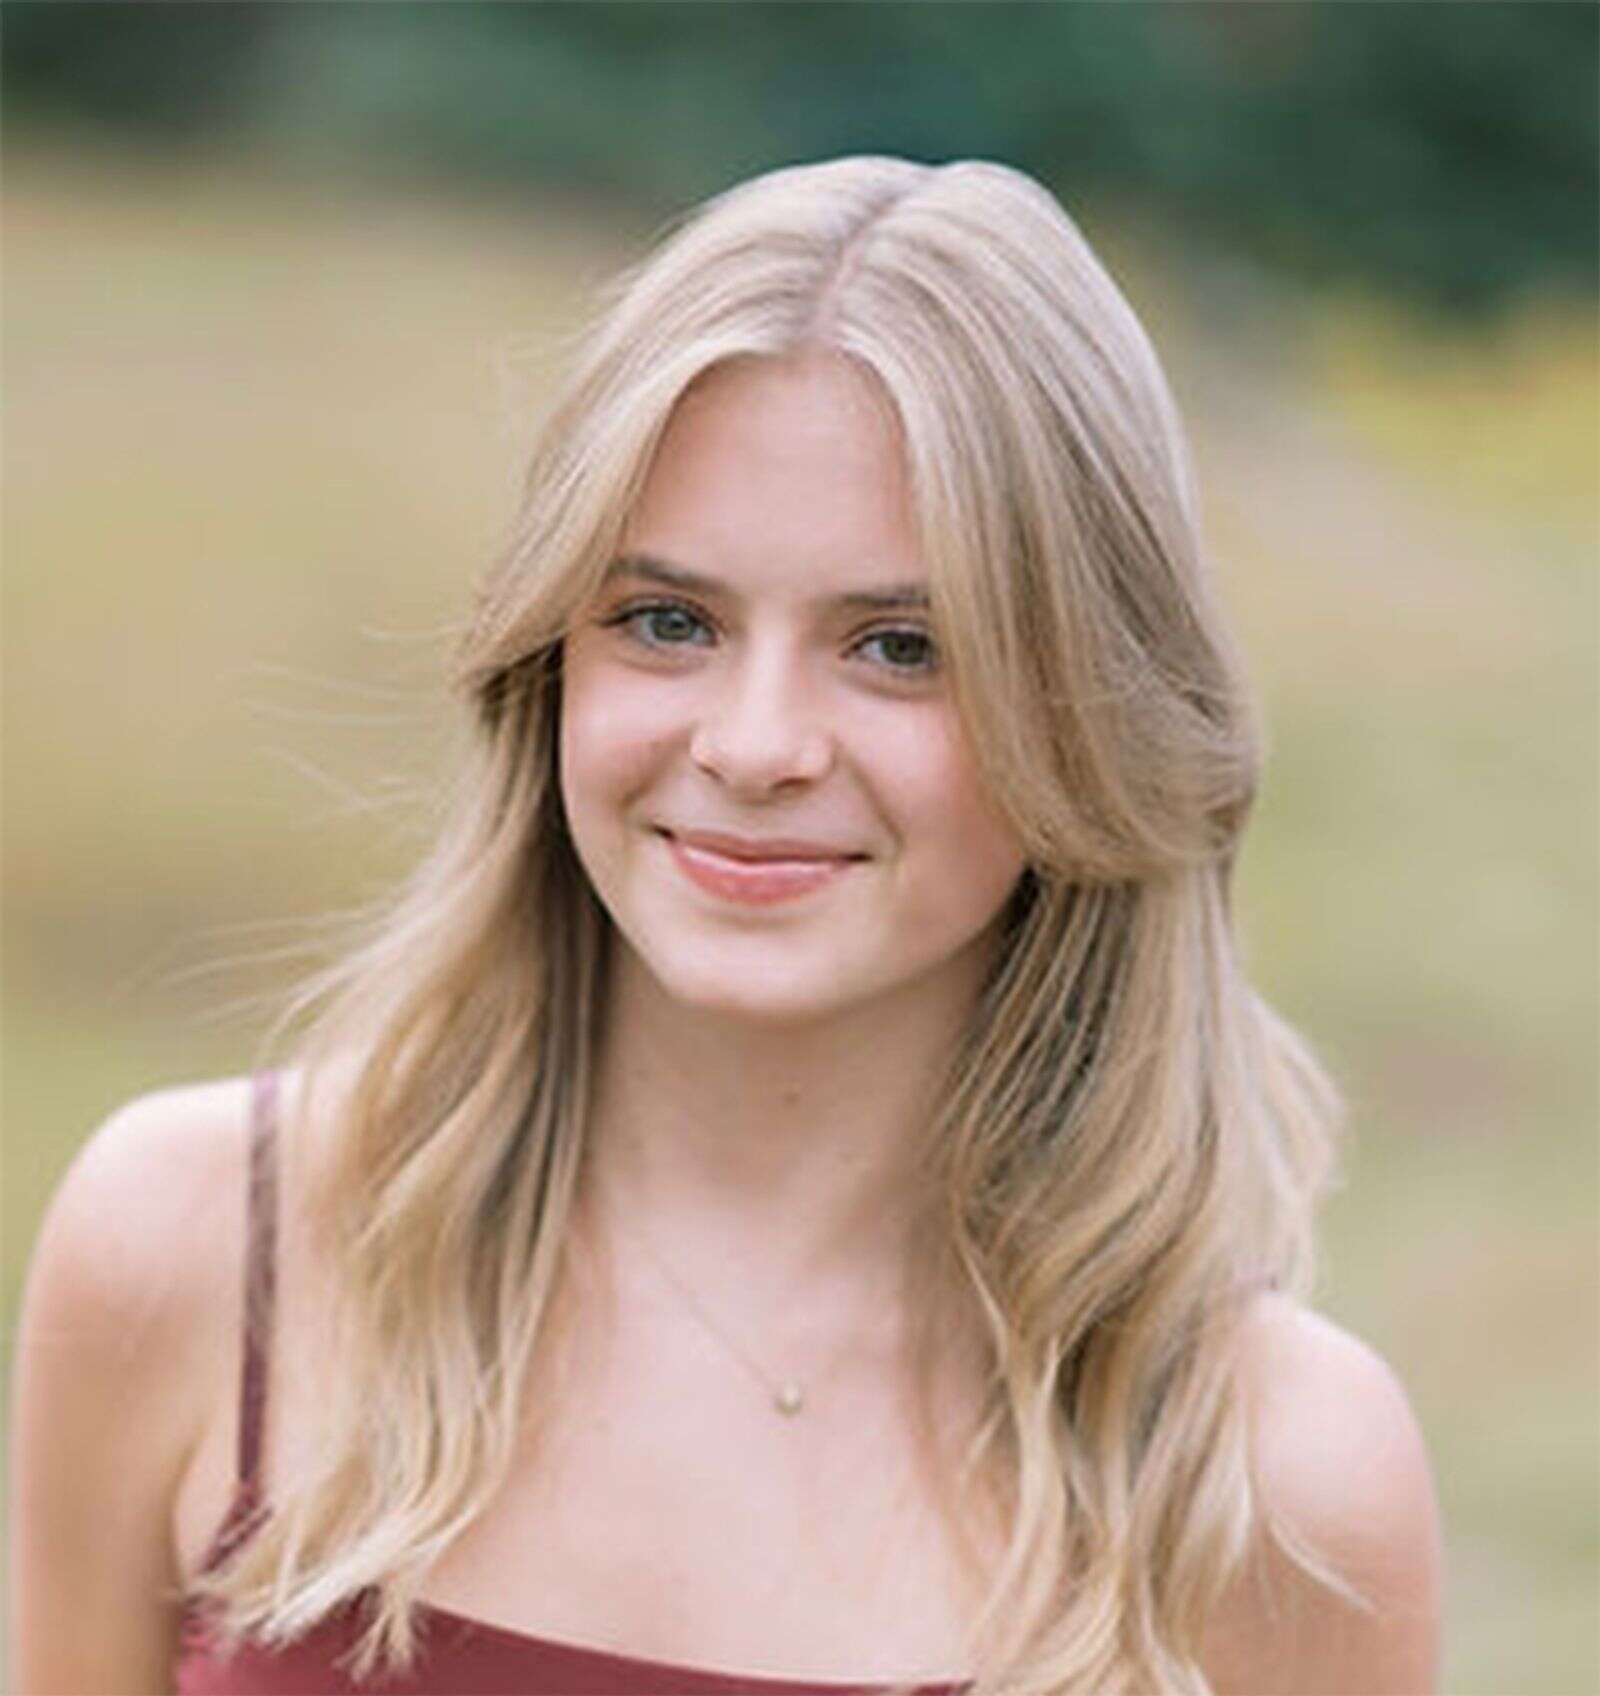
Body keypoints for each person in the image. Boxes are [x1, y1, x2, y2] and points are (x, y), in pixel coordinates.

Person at [9, 156, 1441, 1695]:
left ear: (1093, 711)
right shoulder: (201, 1252)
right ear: (549, 662)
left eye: (901, 647)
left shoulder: (1276, 1481)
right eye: (668, 622)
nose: (755, 747)